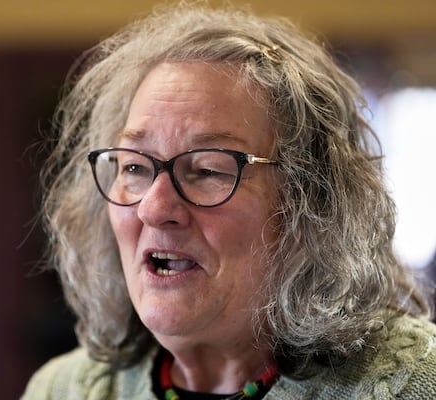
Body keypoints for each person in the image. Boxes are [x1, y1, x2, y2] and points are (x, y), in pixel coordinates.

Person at [22, 3, 436, 399]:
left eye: (207, 170)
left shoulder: (417, 384)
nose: (154, 208)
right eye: (134, 168)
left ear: (311, 203)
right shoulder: (63, 389)